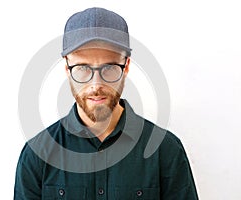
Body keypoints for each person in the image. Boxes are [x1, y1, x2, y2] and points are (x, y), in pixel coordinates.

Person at [14, 7, 199, 199]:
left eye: (110, 67)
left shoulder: (165, 150)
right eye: (82, 68)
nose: (96, 85)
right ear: (67, 69)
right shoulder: (37, 155)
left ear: (126, 66)